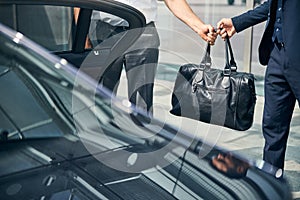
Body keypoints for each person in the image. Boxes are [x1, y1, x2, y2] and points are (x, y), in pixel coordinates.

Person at [88, 0, 217, 115]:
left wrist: (199, 26)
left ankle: (142, 136)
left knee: (142, 103)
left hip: (143, 33)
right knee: (101, 97)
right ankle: (99, 137)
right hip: (103, 31)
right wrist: (82, 35)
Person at [216, 0, 300, 174]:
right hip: (276, 55)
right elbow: (275, 5)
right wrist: (237, 23)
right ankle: (271, 183)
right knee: (272, 127)